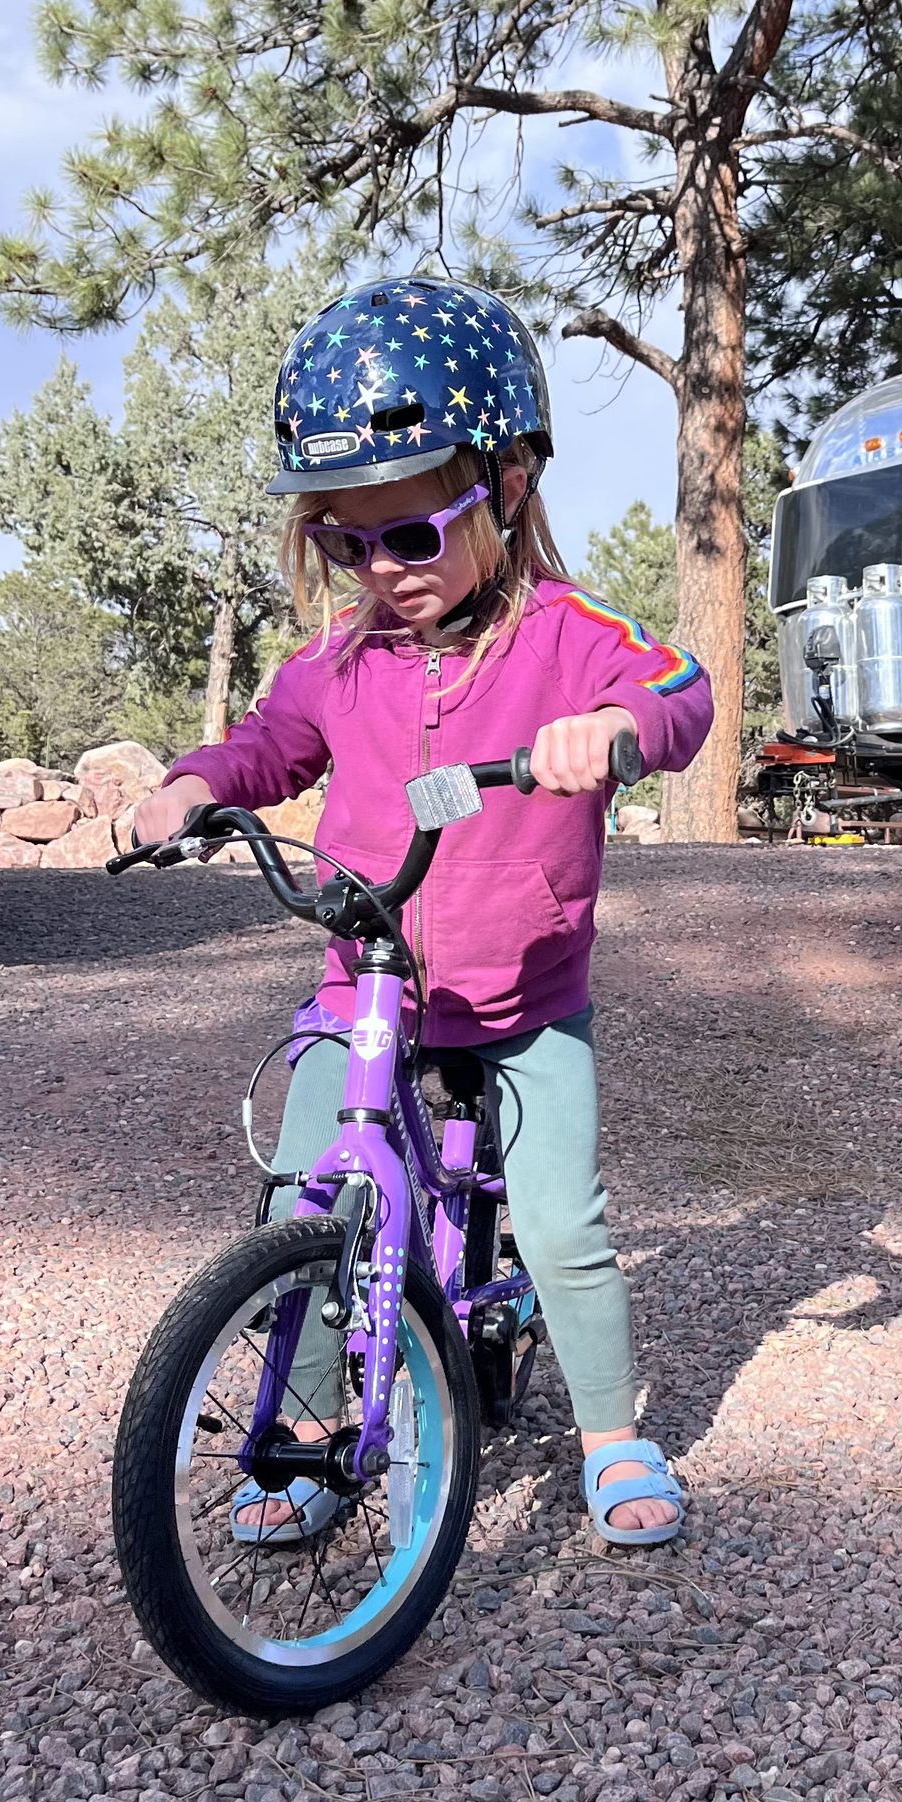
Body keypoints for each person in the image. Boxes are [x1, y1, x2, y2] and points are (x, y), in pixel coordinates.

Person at [133, 275, 712, 1546]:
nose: (380, 571)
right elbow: (268, 740)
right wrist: (191, 786)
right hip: (368, 984)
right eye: (348, 541)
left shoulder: (570, 633)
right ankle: (293, 1438)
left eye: (410, 535)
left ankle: (614, 1433)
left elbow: (680, 686)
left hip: (521, 1000)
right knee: (304, 1202)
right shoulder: (339, 661)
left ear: (505, 486)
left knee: (562, 1223)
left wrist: (615, 729)